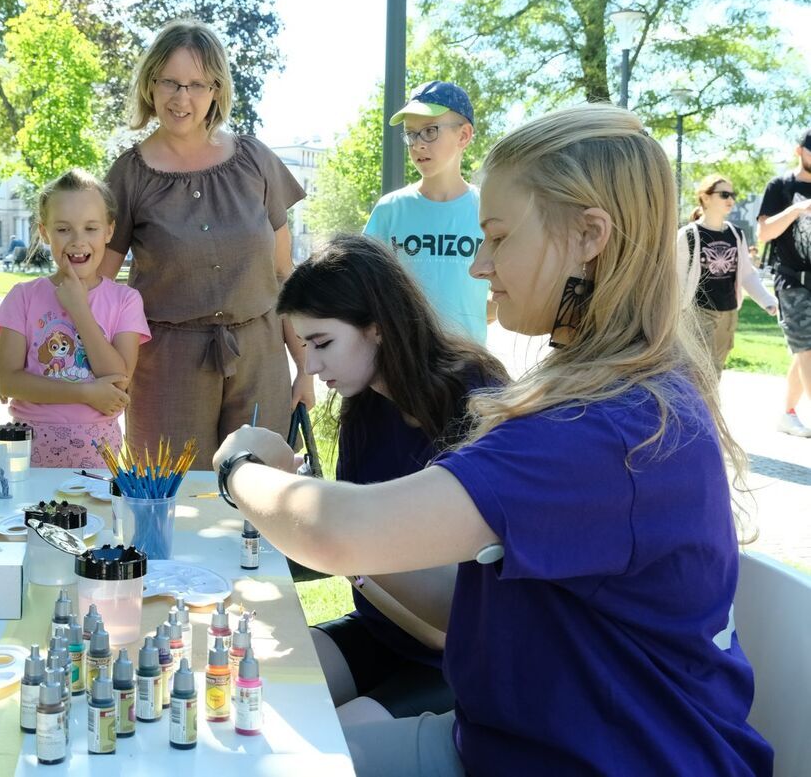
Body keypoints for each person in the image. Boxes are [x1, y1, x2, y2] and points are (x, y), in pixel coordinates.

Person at [214, 105, 773, 776]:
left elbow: (339, 529)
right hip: (515, 733)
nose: (481, 265)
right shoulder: (617, 396)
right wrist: (363, 548)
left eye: (499, 237)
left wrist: (241, 466)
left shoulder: (603, 428)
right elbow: (471, 598)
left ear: (588, 235)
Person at [277, 234, 507, 721]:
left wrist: (347, 550)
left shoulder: (474, 393)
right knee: (268, 690)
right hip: (382, 633)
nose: (312, 366)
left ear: (377, 327)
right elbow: (351, 559)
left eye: (323, 343)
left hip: (460, 655)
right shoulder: (363, 410)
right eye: (305, 346)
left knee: (341, 735)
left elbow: (446, 626)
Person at [100, 20, 310, 467]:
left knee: (262, 500)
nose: (182, 97)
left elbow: (283, 275)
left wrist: (304, 368)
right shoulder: (128, 175)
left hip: (260, 358)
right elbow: (101, 287)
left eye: (197, 84)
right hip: (165, 368)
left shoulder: (256, 160)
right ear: (150, 84)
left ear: (216, 90)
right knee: (169, 502)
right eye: (170, 82)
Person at [0, 169, 150, 467]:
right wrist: (86, 392)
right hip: (28, 447)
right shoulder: (23, 297)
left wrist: (79, 310)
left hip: (99, 449)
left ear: (109, 231)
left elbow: (118, 382)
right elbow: (7, 380)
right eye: (64, 229)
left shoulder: (125, 300)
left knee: (97, 515)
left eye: (91, 228)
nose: (78, 241)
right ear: (44, 231)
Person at [363, 80, 492, 344]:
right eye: (411, 133)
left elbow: (509, 290)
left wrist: (472, 314)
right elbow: (363, 288)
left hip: (470, 368)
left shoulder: (488, 210)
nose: (417, 144)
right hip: (402, 368)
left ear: (464, 135)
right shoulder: (390, 210)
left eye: (430, 131)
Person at [676, 173, 777, 375]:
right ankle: (699, 406)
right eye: (724, 194)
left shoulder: (735, 233)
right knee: (698, 371)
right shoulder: (689, 234)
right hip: (699, 311)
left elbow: (747, 274)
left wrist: (766, 299)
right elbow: (677, 278)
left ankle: (708, 407)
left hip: (728, 312)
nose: (730, 199)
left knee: (716, 370)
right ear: (705, 197)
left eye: (732, 194)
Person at [756, 128, 811, 437]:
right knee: (807, 348)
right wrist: (796, 209)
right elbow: (764, 234)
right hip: (792, 280)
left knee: (807, 353)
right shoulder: (780, 187)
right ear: (798, 150)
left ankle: (788, 414)